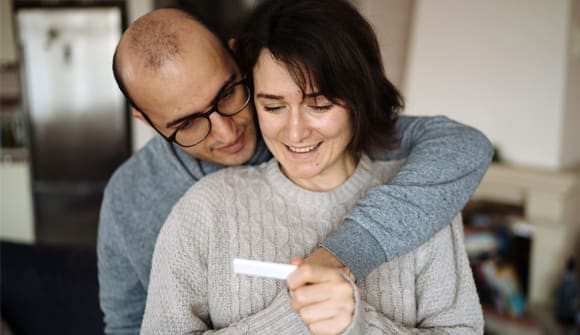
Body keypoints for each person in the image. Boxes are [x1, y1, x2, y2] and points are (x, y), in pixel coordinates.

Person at [99, 5, 492, 335]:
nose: (227, 131)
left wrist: (346, 271)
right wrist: (298, 314)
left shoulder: (407, 183)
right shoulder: (161, 202)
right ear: (146, 120)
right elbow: (128, 325)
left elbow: (462, 145)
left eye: (228, 95)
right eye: (187, 124)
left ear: (239, 64)